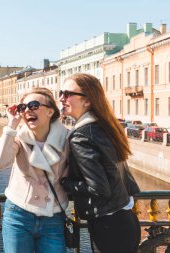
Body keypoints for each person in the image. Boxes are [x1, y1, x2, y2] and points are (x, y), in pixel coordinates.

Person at [59, 73, 141, 253]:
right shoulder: (103, 126)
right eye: (61, 93)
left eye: (67, 94)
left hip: (109, 226)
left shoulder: (81, 136)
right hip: (125, 218)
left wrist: (65, 183)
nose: (61, 98)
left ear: (87, 101)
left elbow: (99, 189)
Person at [0, 88, 69, 253]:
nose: (27, 110)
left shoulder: (67, 139)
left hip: (53, 216)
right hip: (18, 215)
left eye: (33, 105)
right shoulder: (18, 137)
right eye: (22, 107)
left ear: (50, 111)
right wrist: (11, 125)